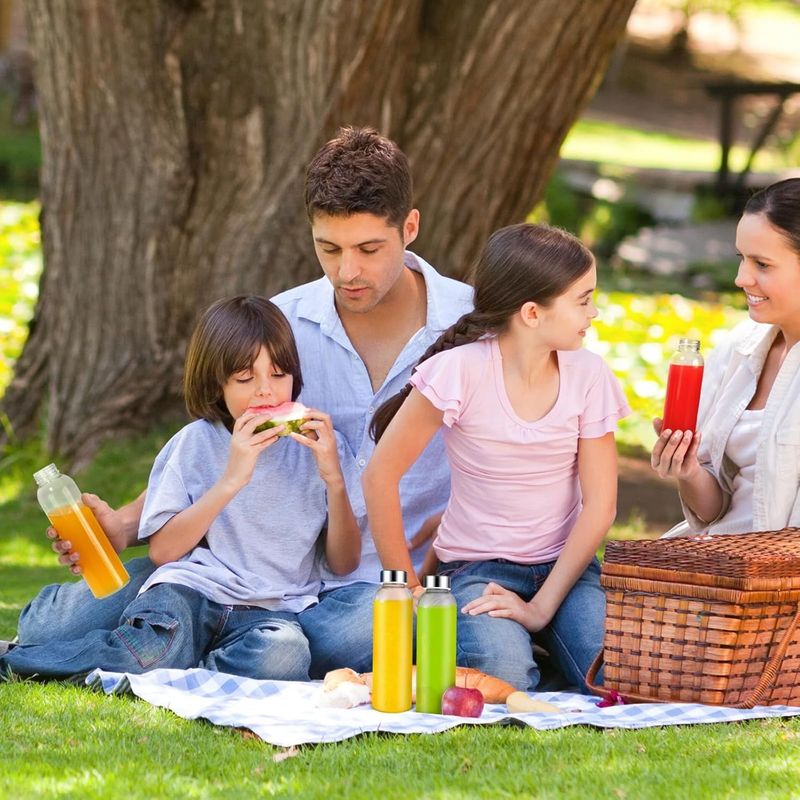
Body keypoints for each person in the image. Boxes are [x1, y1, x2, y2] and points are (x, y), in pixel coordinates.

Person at [14, 127, 473, 677]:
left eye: (369, 250)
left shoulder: (472, 327)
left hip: (351, 587)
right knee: (50, 630)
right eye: (328, 249)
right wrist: (126, 524)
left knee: (357, 634)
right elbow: (214, 443)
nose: (347, 271)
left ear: (410, 227)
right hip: (238, 565)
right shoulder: (281, 326)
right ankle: (172, 621)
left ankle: (190, 639)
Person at [1, 297, 360, 678]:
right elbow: (163, 552)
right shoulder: (195, 443)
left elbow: (343, 563)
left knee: (285, 657)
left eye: (279, 374)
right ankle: (18, 661)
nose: (265, 392)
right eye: (244, 378)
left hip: (271, 611)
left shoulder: (322, 448)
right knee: (152, 649)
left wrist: (334, 480)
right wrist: (232, 479)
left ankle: (185, 672)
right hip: (190, 593)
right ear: (217, 385)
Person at [363, 223, 630, 692]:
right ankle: (515, 647)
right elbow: (379, 477)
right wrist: (408, 589)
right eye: (583, 300)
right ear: (532, 313)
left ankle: (539, 637)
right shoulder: (458, 371)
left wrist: (541, 608)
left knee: (618, 675)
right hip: (477, 569)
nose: (594, 312)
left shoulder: (589, 375)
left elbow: (600, 506)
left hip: (565, 568)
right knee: (504, 676)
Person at [651, 177, 800, 536]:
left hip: (776, 566)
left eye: (762, 264)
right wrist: (689, 470)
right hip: (719, 553)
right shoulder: (740, 346)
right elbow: (713, 510)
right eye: (741, 259)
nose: (741, 278)